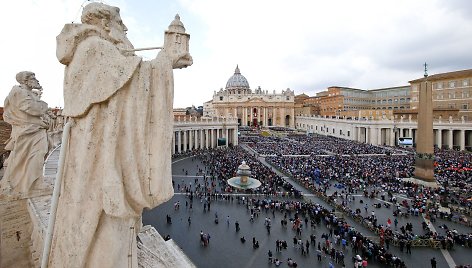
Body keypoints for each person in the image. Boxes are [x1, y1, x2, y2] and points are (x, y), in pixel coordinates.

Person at [49, 3, 192, 268]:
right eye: (119, 22)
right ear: (104, 23)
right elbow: (131, 84)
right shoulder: (95, 48)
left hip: (93, 154)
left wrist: (161, 64)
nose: (124, 27)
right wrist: (165, 62)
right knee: (106, 234)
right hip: (99, 164)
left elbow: (126, 80)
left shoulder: (95, 50)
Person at [1, 71, 49, 195]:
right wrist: (43, 105)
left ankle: (32, 182)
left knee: (36, 155)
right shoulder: (18, 92)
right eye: (33, 78)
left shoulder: (28, 93)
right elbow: (31, 108)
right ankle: (30, 184)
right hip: (27, 131)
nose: (36, 80)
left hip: (34, 130)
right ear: (25, 80)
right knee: (31, 156)